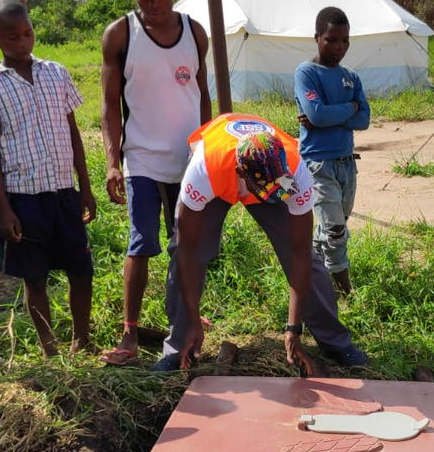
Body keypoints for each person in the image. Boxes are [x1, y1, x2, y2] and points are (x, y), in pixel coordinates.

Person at [157, 113, 369, 372]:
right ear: (241, 174)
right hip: (219, 173)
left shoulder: (293, 171)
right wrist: (193, 319)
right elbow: (188, 250)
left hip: (263, 171)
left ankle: (335, 342)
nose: (272, 193)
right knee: (182, 252)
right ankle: (179, 345)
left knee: (308, 260)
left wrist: (293, 329)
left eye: (277, 187)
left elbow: (300, 251)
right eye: (263, 189)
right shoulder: (204, 170)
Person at [100, 0, 211, 365]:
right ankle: (129, 332)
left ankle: (185, 322)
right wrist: (114, 160)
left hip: (188, 161)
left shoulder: (195, 33)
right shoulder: (120, 34)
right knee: (141, 244)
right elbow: (110, 104)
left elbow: (202, 95)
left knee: (186, 245)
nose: (150, 4)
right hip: (142, 159)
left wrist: (206, 150)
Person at [0, 0, 96, 357]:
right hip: (24, 198)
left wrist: (84, 187)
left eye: (28, 34)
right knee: (35, 276)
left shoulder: (56, 72)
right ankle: (49, 348)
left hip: (63, 192)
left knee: (80, 269)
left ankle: (82, 339)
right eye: (13, 37)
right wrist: (3, 209)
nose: (23, 42)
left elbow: (73, 133)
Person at [294, 6, 370, 297]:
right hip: (318, 165)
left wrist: (327, 115)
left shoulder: (351, 76)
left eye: (345, 41)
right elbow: (317, 113)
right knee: (336, 231)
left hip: (347, 165)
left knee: (330, 228)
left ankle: (312, 280)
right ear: (317, 38)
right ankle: (345, 294)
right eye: (332, 40)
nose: (339, 47)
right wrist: (348, 108)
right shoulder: (307, 72)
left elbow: (364, 118)